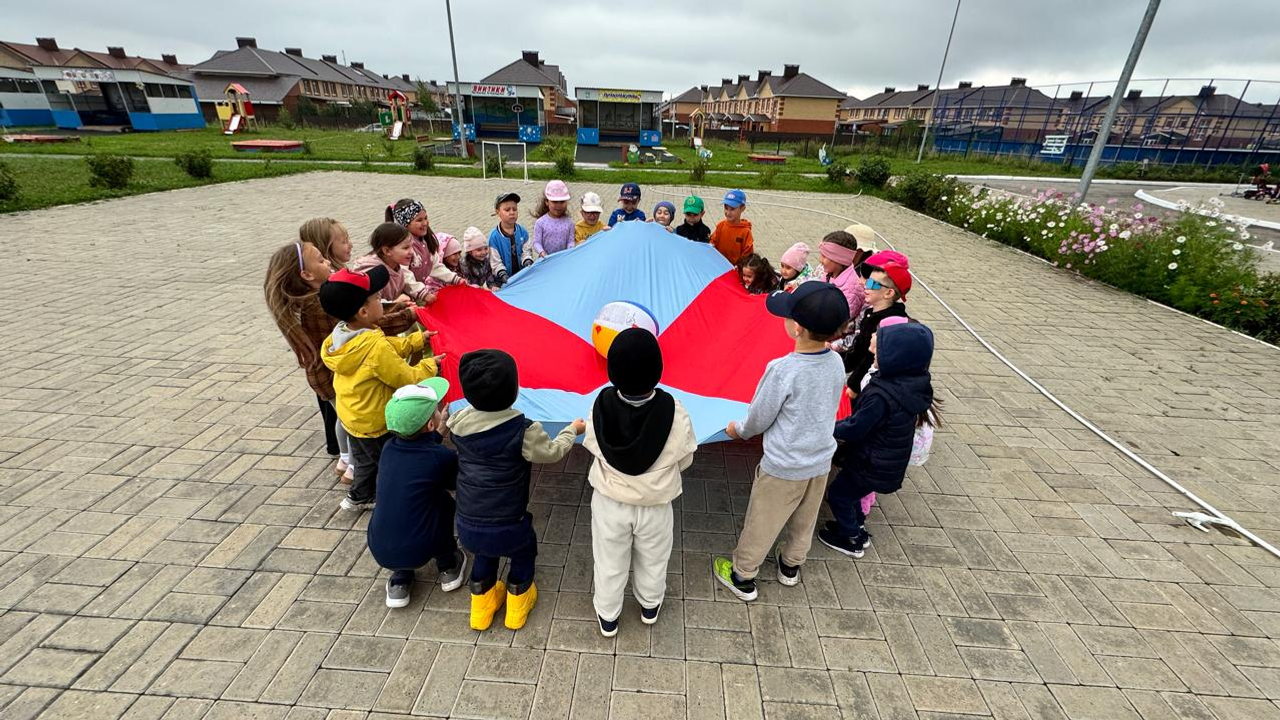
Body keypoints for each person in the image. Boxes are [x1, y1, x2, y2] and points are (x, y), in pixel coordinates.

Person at [711, 283, 849, 601]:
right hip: (819, 462)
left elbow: (760, 418)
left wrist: (738, 430)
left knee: (763, 520)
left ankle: (743, 575)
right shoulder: (837, 363)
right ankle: (790, 566)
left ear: (797, 327)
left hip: (783, 467)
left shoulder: (782, 370)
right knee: (805, 518)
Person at [448, 350, 586, 630]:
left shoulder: (458, 423)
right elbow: (552, 452)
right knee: (523, 555)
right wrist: (571, 430)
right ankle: (516, 609)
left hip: (467, 522)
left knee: (484, 556)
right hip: (509, 522)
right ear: (514, 392)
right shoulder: (522, 430)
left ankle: (481, 611)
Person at [583, 329, 697, 637]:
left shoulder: (599, 405)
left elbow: (592, 445)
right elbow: (685, 457)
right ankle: (649, 605)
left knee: (608, 560)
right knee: (654, 558)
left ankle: (608, 615)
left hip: (609, 503)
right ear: (658, 371)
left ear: (612, 372)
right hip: (656, 505)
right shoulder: (675, 410)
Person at [319, 266, 443, 512]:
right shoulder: (374, 346)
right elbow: (405, 377)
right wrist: (430, 365)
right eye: (377, 298)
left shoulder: (339, 337)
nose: (382, 300)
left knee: (365, 461)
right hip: (376, 423)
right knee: (387, 464)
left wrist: (418, 340)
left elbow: (388, 347)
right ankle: (395, 501)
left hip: (353, 416)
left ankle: (358, 496)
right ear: (364, 311)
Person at [819, 322, 936, 559]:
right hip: (885, 463)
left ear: (896, 359)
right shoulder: (912, 385)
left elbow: (856, 427)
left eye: (879, 352)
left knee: (839, 494)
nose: (872, 354)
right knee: (852, 494)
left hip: (869, 463)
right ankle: (856, 527)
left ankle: (851, 538)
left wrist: (828, 428)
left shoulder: (882, 395)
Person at [368, 377, 467, 608]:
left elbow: (418, 449)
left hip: (381, 547)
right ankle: (447, 564)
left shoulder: (389, 448)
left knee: (403, 505)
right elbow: (454, 483)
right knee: (444, 502)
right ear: (431, 424)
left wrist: (438, 433)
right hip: (424, 544)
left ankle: (400, 580)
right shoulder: (439, 457)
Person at [845, 261, 911, 389]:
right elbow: (859, 347)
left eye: (872, 284)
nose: (866, 286)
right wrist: (844, 364)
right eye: (867, 281)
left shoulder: (888, 322)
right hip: (860, 374)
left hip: (871, 383)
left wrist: (854, 385)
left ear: (888, 293)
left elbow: (871, 357)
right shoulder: (871, 312)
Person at [386, 198, 464, 290]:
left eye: (426, 218)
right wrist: (421, 292)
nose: (425, 223)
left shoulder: (427, 242)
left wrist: (455, 279)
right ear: (405, 224)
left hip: (416, 293)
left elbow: (435, 267)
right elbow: (405, 275)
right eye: (419, 220)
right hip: (399, 294)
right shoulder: (403, 248)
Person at [353, 223, 435, 306]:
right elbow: (369, 305)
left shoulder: (396, 265)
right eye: (406, 248)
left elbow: (407, 280)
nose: (412, 252)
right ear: (387, 251)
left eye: (411, 246)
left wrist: (424, 294)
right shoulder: (371, 273)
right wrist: (395, 304)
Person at [814, 229, 870, 323]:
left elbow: (840, 321)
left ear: (839, 259)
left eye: (824, 256)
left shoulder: (851, 289)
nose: (820, 260)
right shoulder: (829, 273)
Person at [488, 192, 533, 276]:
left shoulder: (523, 232)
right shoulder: (493, 237)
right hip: (502, 279)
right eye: (507, 210)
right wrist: (501, 273)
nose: (512, 212)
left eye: (514, 209)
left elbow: (526, 250)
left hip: (522, 275)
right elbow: (494, 261)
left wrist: (527, 260)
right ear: (498, 212)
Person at [531, 180, 575, 258]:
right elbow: (536, 242)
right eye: (554, 202)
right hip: (545, 261)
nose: (559, 205)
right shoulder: (540, 223)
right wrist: (542, 252)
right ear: (547, 202)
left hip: (563, 261)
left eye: (562, 202)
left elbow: (571, 241)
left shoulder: (569, 223)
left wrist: (570, 251)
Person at [709, 189, 754, 264]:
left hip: (736, 270)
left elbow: (748, 255)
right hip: (719, 266)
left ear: (742, 208)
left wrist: (740, 266)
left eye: (732, 209)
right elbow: (713, 241)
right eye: (726, 208)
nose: (728, 212)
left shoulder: (746, 232)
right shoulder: (720, 226)